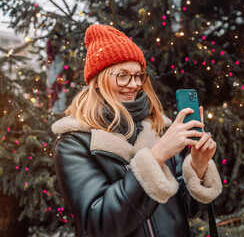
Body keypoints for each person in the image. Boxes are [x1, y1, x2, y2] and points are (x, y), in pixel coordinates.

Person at [51, 24, 222, 237]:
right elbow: (101, 224)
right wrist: (157, 156)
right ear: (99, 80)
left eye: (138, 75)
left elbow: (187, 210)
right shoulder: (75, 141)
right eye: (122, 75)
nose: (133, 84)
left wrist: (197, 166)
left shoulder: (158, 127)